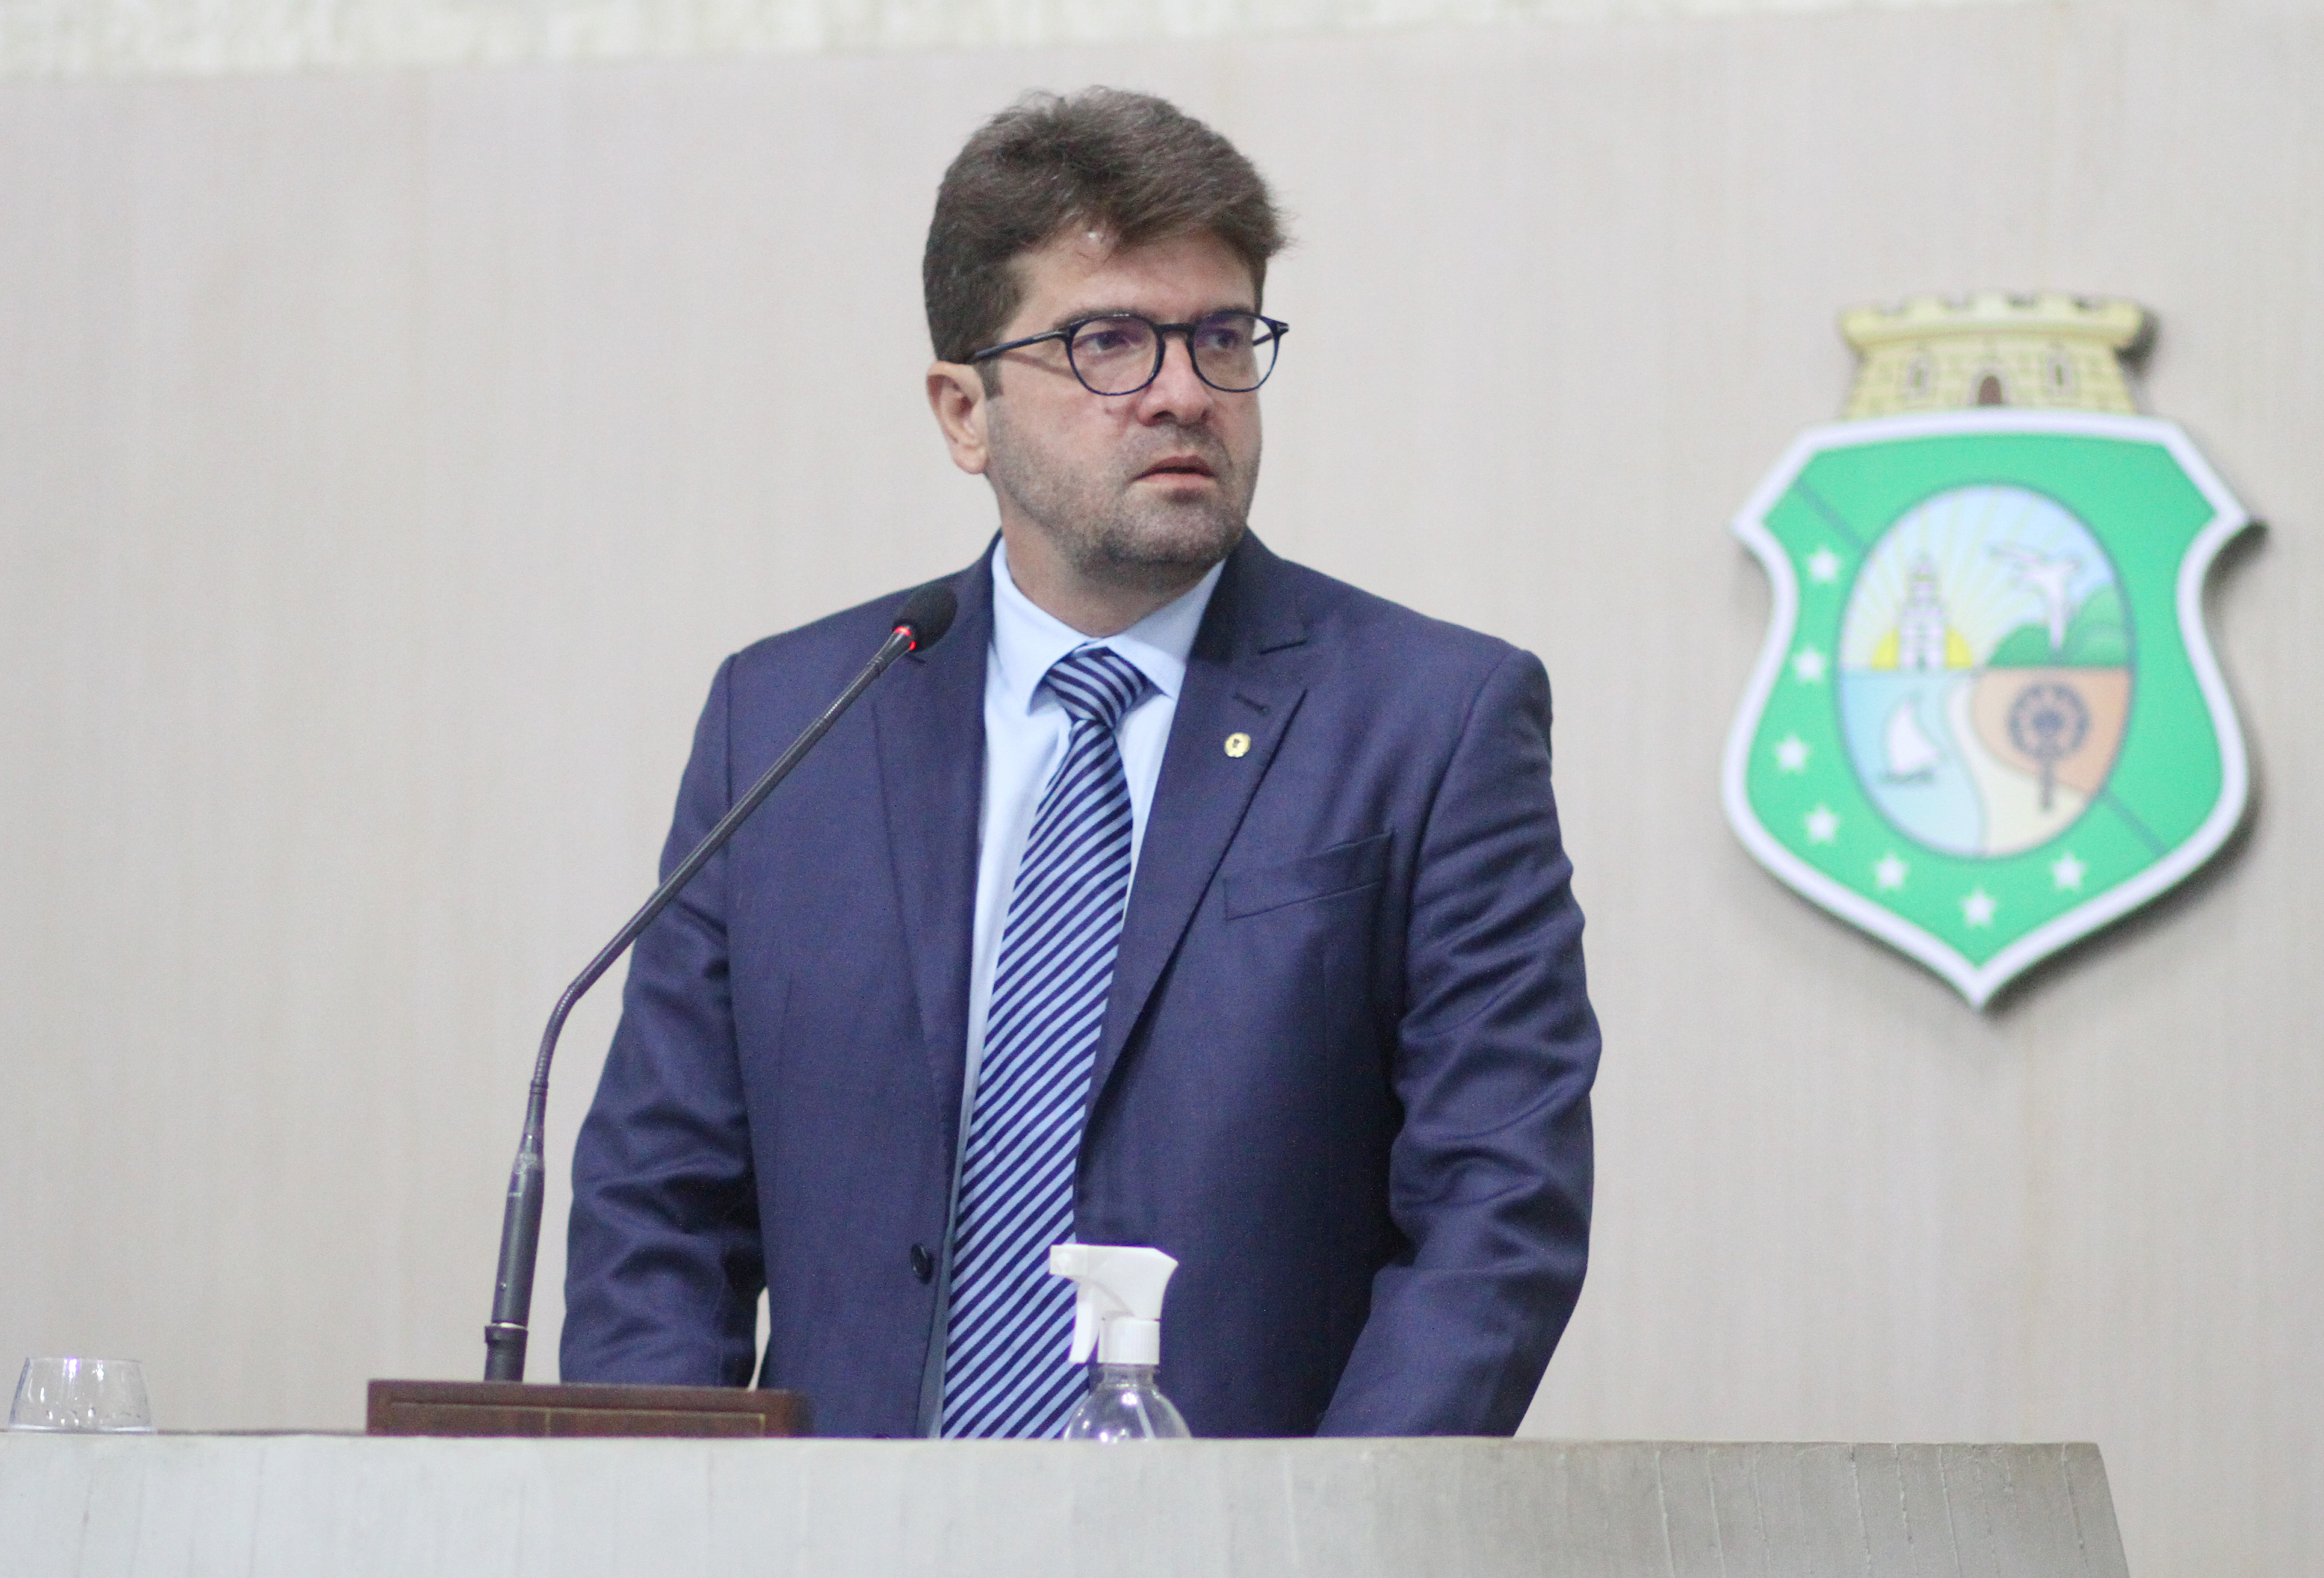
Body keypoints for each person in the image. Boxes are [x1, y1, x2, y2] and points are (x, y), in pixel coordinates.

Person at [561, 88, 1601, 1439]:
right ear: (965, 411)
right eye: (1109, 342)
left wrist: (1325, 1528)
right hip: (842, 1527)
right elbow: (662, 1205)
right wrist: (671, 1513)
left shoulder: (1429, 722)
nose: (1185, 392)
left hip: (1249, 1529)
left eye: (1221, 337)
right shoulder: (792, 723)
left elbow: (1496, 1208)